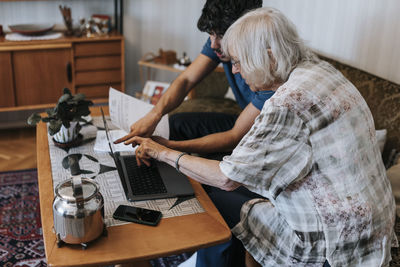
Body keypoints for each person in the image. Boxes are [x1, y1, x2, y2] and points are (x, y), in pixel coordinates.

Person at [124, 7, 397, 267]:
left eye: (239, 62)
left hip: (334, 243)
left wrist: (163, 153)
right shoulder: (318, 69)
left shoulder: (288, 102)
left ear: (270, 57)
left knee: (214, 200)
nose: (235, 71)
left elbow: (227, 177)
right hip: (371, 228)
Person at [117, 1, 270, 266]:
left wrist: (167, 148)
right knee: (179, 121)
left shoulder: (267, 67)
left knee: (214, 189)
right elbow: (186, 80)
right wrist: (154, 116)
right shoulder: (221, 46)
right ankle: (151, 184)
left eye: (219, 36)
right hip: (243, 121)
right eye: (210, 34)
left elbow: (234, 136)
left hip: (260, 135)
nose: (212, 44)